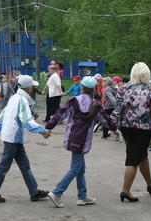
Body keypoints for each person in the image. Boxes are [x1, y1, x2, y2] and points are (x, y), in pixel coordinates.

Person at [45, 76, 118, 208]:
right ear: (94, 89)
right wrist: (114, 129)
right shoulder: (95, 105)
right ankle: (57, 192)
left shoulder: (73, 100)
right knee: (75, 168)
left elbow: (60, 114)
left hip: (73, 136)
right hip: (83, 139)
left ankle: (82, 196)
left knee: (80, 168)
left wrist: (48, 127)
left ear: (82, 87)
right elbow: (105, 119)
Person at [111, 62, 151, 202]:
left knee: (141, 155)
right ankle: (125, 191)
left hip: (126, 128)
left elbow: (117, 110)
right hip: (143, 129)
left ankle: (150, 184)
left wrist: (112, 125)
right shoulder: (150, 91)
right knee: (133, 159)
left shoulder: (123, 89)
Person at [0, 75, 51, 203]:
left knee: (24, 165)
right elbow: (27, 121)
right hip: (14, 137)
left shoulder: (14, 98)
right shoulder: (22, 100)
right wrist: (43, 131)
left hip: (12, 137)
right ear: (29, 87)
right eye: (32, 86)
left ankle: (34, 191)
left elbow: (3, 115)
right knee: (5, 166)